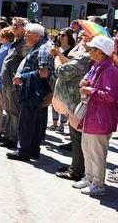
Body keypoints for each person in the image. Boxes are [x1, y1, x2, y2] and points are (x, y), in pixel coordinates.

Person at [52, 21, 99, 181]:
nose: (81, 38)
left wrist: (56, 57)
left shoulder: (86, 57)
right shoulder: (85, 55)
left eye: (84, 36)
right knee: (76, 138)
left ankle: (76, 170)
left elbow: (62, 71)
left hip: (76, 103)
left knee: (77, 139)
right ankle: (76, 166)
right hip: (75, 102)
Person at [73, 35, 118, 196]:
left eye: (92, 49)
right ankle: (89, 178)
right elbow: (90, 81)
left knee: (97, 154)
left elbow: (111, 96)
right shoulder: (97, 66)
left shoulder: (110, 70)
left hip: (101, 118)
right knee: (87, 150)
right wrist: (84, 83)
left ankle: (98, 185)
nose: (89, 51)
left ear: (101, 52)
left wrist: (90, 90)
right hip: (92, 117)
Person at [7, 23, 54, 161]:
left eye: (27, 33)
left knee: (27, 122)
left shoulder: (44, 48)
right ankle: (31, 150)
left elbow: (44, 72)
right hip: (33, 89)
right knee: (33, 122)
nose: (25, 36)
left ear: (36, 35)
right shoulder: (39, 46)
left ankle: (24, 151)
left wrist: (23, 77)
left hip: (34, 90)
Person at [0, 17, 29, 148]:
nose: (13, 28)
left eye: (16, 26)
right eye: (13, 25)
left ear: (24, 28)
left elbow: (25, 62)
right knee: (9, 110)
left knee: (14, 111)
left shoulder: (24, 43)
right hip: (6, 82)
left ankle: (13, 137)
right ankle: (8, 135)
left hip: (13, 83)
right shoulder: (16, 42)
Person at [49, 28, 75, 133]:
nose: (60, 37)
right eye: (59, 34)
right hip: (54, 77)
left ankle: (62, 125)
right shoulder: (56, 48)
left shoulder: (72, 50)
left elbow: (69, 64)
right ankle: (54, 123)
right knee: (54, 100)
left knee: (63, 101)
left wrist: (59, 55)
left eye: (63, 35)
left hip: (65, 79)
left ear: (69, 37)